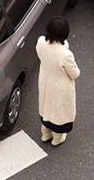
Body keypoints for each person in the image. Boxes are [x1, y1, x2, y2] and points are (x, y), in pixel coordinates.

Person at [36, 16, 80, 146]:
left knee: (45, 107)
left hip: (45, 80)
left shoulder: (40, 43)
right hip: (60, 88)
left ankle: (45, 133)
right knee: (58, 112)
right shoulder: (65, 54)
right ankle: (57, 138)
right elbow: (75, 74)